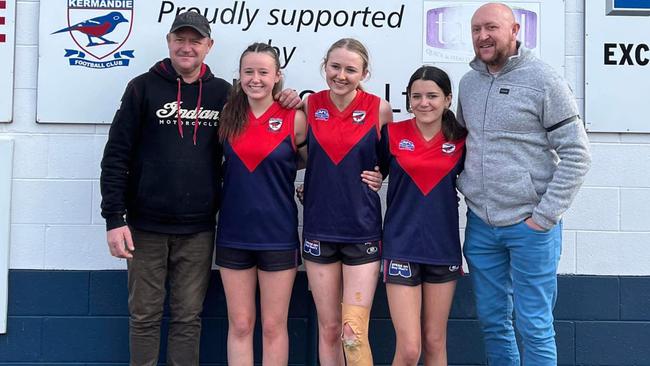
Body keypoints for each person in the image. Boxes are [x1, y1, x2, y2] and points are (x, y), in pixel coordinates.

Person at [100, 12, 300, 366]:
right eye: (180, 39)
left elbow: (267, 128)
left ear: (209, 46)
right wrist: (114, 217)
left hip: (199, 228)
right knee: (144, 318)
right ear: (169, 42)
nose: (187, 47)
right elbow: (116, 155)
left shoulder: (225, 95)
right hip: (144, 226)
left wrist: (289, 99)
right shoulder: (142, 88)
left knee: (187, 319)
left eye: (195, 41)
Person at [456, 3, 591, 365]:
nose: (482, 36)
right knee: (492, 323)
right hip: (482, 226)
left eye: (491, 28)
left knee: (534, 326)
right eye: (475, 30)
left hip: (530, 227)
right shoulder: (468, 83)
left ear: (515, 30)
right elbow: (459, 145)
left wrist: (543, 217)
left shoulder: (544, 80)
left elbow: (578, 154)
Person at [214, 42, 307, 366]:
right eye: (248, 72)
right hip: (233, 234)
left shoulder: (295, 119)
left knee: (272, 326)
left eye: (263, 72)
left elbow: (321, 164)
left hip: (277, 235)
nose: (256, 79)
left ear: (277, 76)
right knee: (240, 324)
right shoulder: (228, 115)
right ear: (239, 77)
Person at [301, 38, 392, 366]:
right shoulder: (309, 105)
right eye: (335, 67)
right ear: (325, 66)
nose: (341, 75)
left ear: (364, 73)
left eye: (350, 69)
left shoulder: (379, 108)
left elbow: (387, 163)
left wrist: (380, 175)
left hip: (362, 231)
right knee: (328, 329)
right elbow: (295, 154)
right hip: (318, 229)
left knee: (353, 331)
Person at [379, 66, 466, 366]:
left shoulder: (461, 140)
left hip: (443, 249)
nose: (424, 103)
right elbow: (366, 174)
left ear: (447, 99)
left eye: (432, 96)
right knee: (409, 348)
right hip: (401, 246)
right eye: (417, 96)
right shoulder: (391, 134)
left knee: (434, 341)